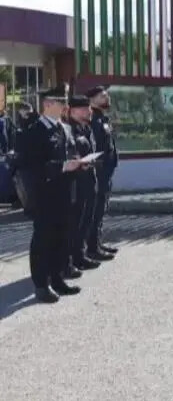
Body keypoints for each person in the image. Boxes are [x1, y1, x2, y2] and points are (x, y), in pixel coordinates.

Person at [20, 87, 83, 303]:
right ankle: (41, 284)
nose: (65, 106)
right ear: (47, 104)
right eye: (60, 102)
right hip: (44, 196)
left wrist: (80, 163)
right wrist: (63, 166)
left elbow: (71, 153)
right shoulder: (34, 131)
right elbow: (32, 167)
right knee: (43, 240)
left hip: (65, 193)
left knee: (61, 237)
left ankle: (57, 279)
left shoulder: (64, 128)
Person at [66, 94, 102, 275]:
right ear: (73, 111)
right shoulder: (68, 130)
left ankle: (80, 255)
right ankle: (71, 260)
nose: (89, 112)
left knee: (86, 220)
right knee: (75, 224)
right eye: (85, 108)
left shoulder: (85, 128)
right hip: (76, 185)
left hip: (88, 181)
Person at [85, 85, 118, 261]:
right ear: (92, 100)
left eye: (106, 95)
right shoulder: (93, 120)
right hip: (99, 173)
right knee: (96, 211)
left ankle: (97, 243)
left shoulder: (102, 118)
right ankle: (91, 248)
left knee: (101, 210)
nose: (106, 98)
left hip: (107, 173)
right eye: (102, 96)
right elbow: (96, 149)